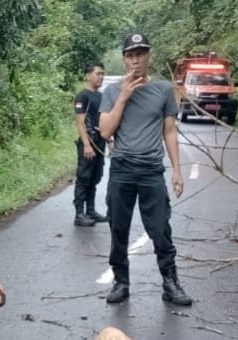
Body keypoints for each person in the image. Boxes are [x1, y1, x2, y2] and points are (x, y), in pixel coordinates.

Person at [98, 33, 192, 306]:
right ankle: (121, 281)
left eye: (140, 54)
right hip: (122, 170)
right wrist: (125, 96)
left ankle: (170, 283)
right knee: (118, 228)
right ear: (124, 58)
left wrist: (177, 170)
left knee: (161, 228)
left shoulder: (163, 90)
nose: (136, 59)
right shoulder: (112, 92)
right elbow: (105, 131)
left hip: (152, 171)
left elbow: (170, 132)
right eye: (130, 55)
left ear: (149, 56)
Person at [73, 62, 108, 227]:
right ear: (88, 75)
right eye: (97, 74)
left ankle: (91, 210)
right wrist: (86, 145)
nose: (100, 77)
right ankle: (79, 214)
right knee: (84, 178)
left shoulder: (100, 96)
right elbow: (80, 122)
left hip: (100, 142)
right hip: (88, 142)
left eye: (102, 74)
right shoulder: (82, 96)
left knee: (95, 177)